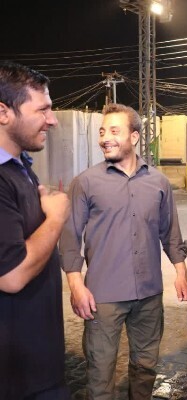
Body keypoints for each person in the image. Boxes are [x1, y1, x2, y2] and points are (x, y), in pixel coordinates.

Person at [59, 103, 187, 400]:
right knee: (100, 372)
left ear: (134, 136)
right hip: (102, 296)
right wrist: (76, 285)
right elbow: (69, 238)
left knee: (145, 367)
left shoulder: (158, 182)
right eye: (102, 132)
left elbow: (169, 231)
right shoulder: (86, 183)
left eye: (114, 131)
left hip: (149, 293)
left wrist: (180, 271)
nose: (105, 138)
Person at [0, 61, 70, 400]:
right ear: (3, 112)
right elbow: (11, 276)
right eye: (42, 109)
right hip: (17, 379)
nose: (52, 120)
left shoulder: (21, 167)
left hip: (38, 366)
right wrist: (55, 218)